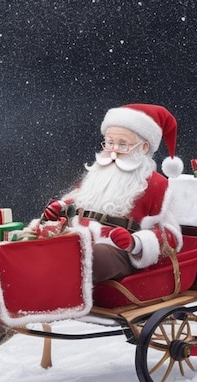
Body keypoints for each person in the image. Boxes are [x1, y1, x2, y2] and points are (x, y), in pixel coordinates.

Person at [41, 103, 185, 283]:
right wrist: (60, 210)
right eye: (109, 142)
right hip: (80, 239)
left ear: (144, 147)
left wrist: (136, 243)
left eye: (123, 145)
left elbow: (170, 236)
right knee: (44, 247)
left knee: (88, 258)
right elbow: (76, 202)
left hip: (119, 252)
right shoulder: (98, 174)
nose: (113, 151)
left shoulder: (157, 184)